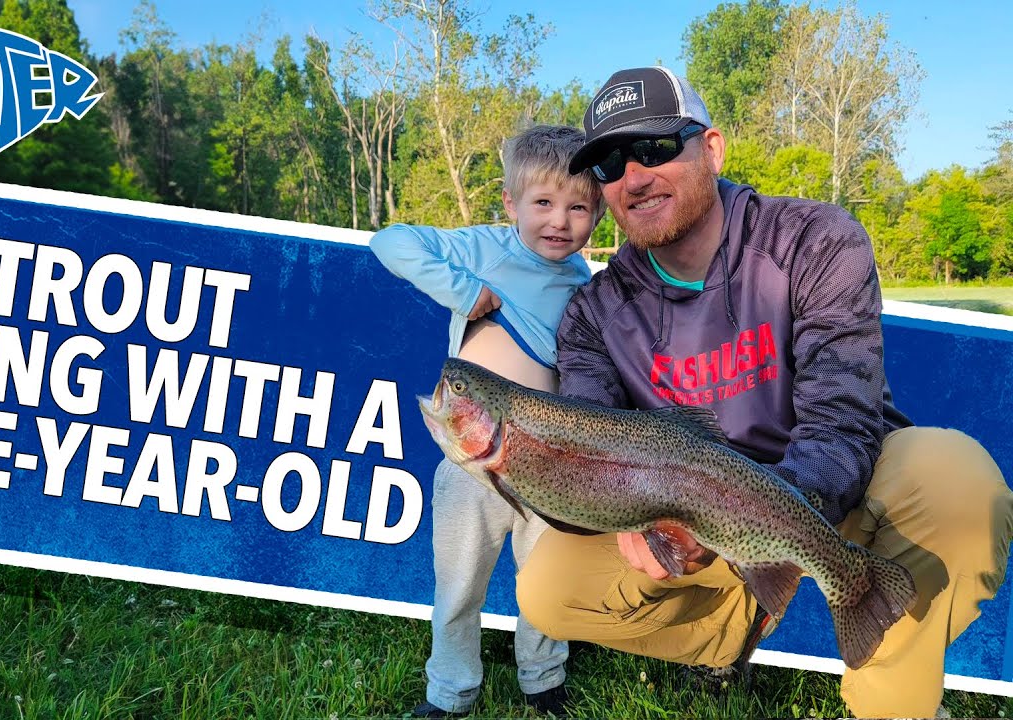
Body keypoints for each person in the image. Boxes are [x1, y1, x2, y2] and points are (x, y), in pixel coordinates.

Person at [513, 65, 1013, 719]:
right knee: (550, 585)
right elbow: (593, 449)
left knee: (956, 481)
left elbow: (842, 424)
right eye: (608, 163)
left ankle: (891, 700)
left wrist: (774, 528)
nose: (633, 177)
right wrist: (531, 463)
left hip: (841, 505)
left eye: (656, 148)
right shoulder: (593, 316)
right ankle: (732, 633)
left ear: (712, 147)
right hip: (700, 534)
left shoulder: (814, 240)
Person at [370, 124, 605, 717]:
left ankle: (543, 677)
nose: (559, 221)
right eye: (543, 203)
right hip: (468, 464)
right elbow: (390, 242)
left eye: (579, 207)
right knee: (457, 584)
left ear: (600, 212)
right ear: (511, 203)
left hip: (549, 467)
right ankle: (451, 691)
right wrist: (461, 290)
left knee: (545, 581)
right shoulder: (481, 249)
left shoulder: (591, 287)